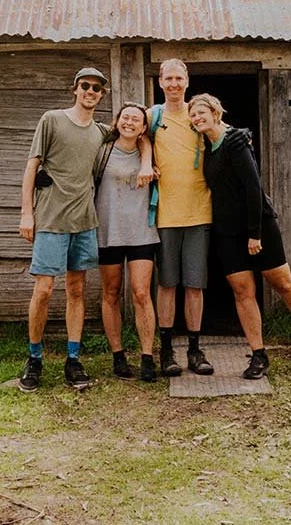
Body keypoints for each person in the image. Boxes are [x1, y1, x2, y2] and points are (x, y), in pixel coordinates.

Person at [188, 93, 291, 379]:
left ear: (216, 112)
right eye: (193, 115)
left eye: (201, 112)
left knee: (283, 284)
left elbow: (253, 188)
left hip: (258, 226)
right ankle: (258, 355)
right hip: (227, 231)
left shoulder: (236, 141)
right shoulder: (206, 145)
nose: (197, 118)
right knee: (243, 291)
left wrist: (254, 234)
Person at [18, 68, 141, 392]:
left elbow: (138, 132)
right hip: (51, 220)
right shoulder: (52, 120)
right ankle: (34, 359)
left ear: (102, 95)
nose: (90, 91)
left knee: (76, 290)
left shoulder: (102, 132)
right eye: (85, 86)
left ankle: (73, 359)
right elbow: (32, 165)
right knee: (44, 289)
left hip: (84, 221)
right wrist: (26, 213)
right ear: (75, 89)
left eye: (97, 88)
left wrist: (146, 162)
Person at [148, 59, 214, 378]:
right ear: (160, 82)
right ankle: (166, 351)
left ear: (187, 80)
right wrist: (147, 164)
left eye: (179, 78)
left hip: (200, 210)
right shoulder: (152, 117)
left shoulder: (198, 114)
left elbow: (223, 141)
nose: (174, 84)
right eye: (168, 78)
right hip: (165, 214)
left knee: (195, 285)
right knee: (167, 284)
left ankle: (194, 349)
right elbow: (133, 141)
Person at [94, 103, 159, 383]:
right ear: (117, 121)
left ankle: (147, 356)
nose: (130, 122)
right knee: (111, 292)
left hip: (141, 232)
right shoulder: (102, 151)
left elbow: (147, 146)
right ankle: (118, 354)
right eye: (125, 117)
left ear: (143, 127)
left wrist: (148, 162)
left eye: (136, 119)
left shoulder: (149, 151)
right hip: (108, 232)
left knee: (141, 293)